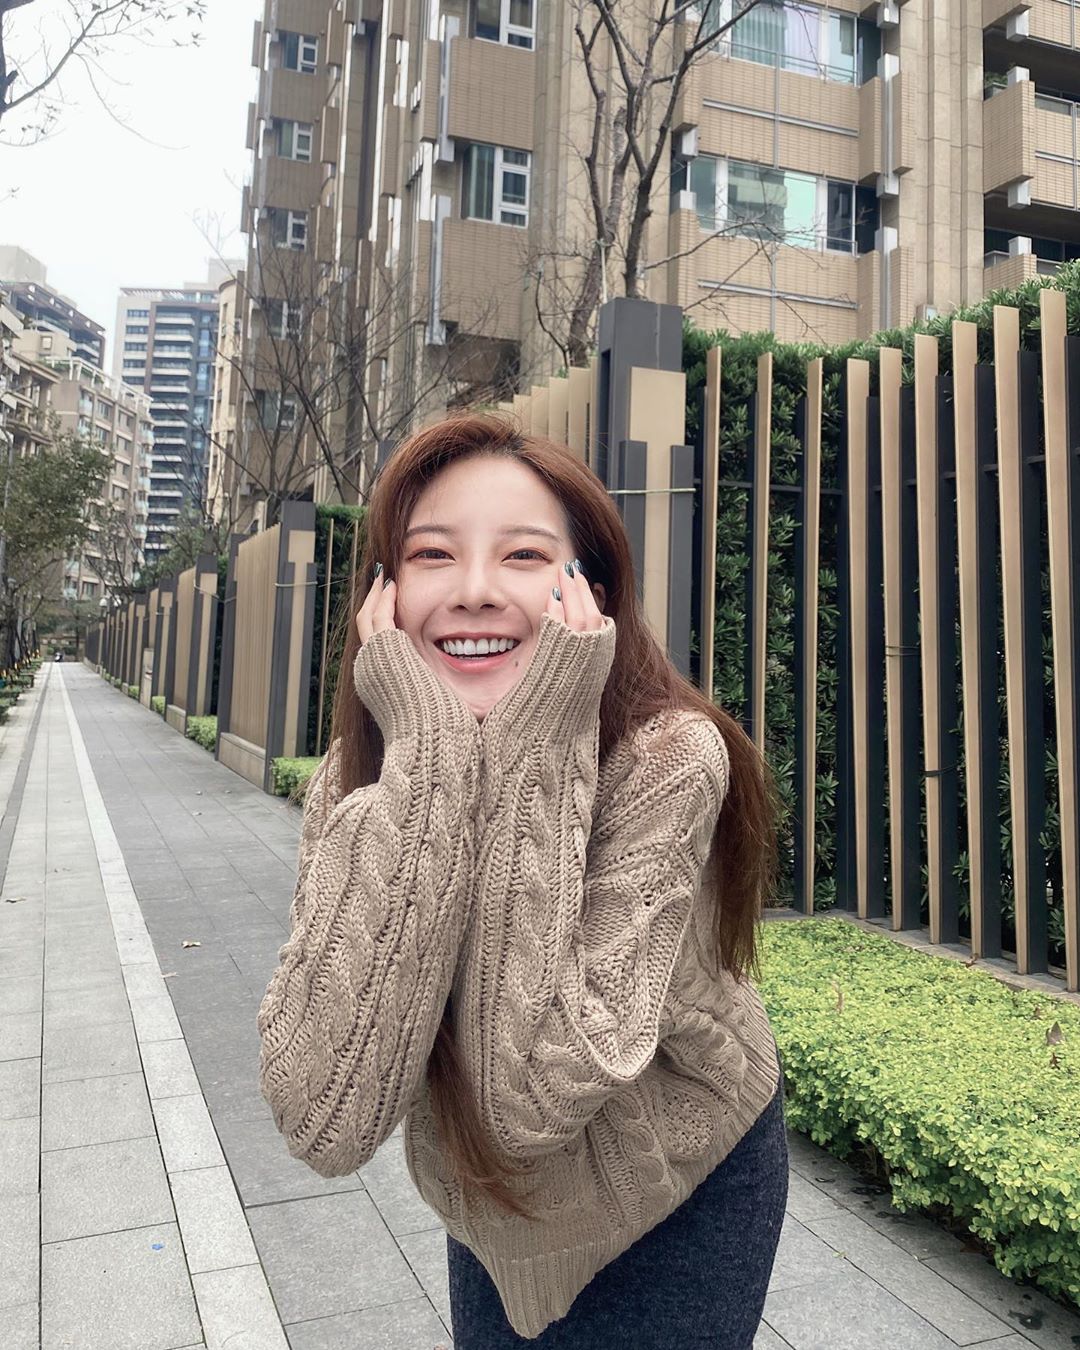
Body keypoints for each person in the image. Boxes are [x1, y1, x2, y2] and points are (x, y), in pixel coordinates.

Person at [257, 414, 788, 1348]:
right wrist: (428, 758)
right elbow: (324, 1117)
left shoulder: (668, 760)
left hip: (673, 1187)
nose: (474, 591)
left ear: (588, 594)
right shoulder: (358, 779)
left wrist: (542, 734)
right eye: (432, 554)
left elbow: (531, 1101)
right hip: (489, 1203)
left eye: (524, 556)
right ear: (385, 596)